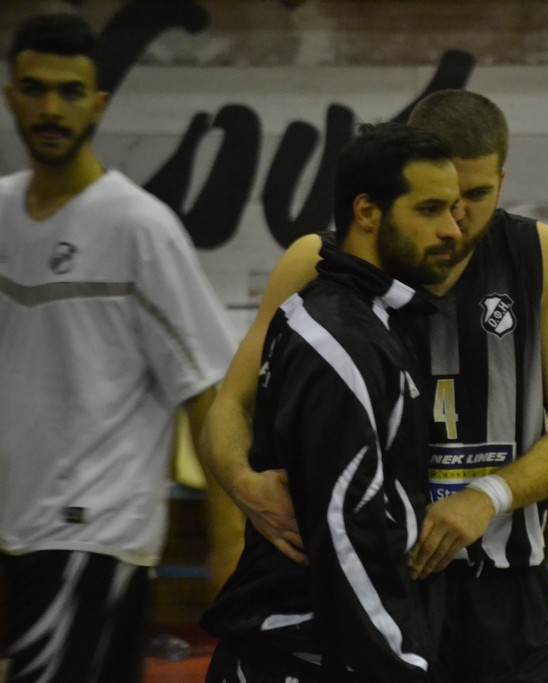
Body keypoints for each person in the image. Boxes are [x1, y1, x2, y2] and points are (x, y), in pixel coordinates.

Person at [198, 89, 548, 682]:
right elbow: (230, 405)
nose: (457, 221)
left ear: (501, 181)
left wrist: (486, 496)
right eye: (437, 202)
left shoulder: (540, 255)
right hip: (383, 580)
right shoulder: (320, 264)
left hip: (503, 583)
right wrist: (243, 484)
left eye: (475, 196)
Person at [0, 13, 236, 682]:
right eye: (35, 89)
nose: (51, 108)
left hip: (94, 533)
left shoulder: (138, 227)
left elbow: (209, 390)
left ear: (98, 104)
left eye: (70, 92)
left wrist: (230, 541)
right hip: (20, 530)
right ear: (10, 98)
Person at [201, 121, 464, 681]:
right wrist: (400, 666)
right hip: (306, 652)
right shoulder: (341, 341)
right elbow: (347, 530)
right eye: (430, 209)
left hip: (316, 646)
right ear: (367, 212)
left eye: (454, 210)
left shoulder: (364, 317)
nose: (452, 230)